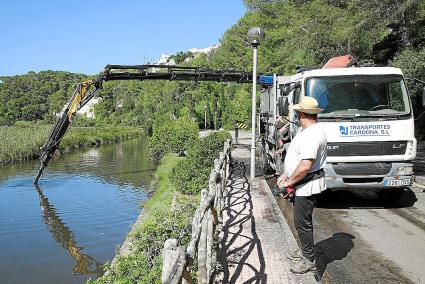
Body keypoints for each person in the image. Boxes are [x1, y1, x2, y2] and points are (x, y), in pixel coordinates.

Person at [277, 96, 327, 274]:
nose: (297, 116)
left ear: (302, 114)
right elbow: (298, 158)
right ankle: (305, 250)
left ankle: (309, 259)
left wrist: (288, 182)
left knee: (302, 222)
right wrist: (286, 174)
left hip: (308, 185)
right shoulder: (307, 130)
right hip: (303, 183)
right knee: (301, 221)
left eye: (298, 113)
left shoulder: (313, 134)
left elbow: (306, 165)